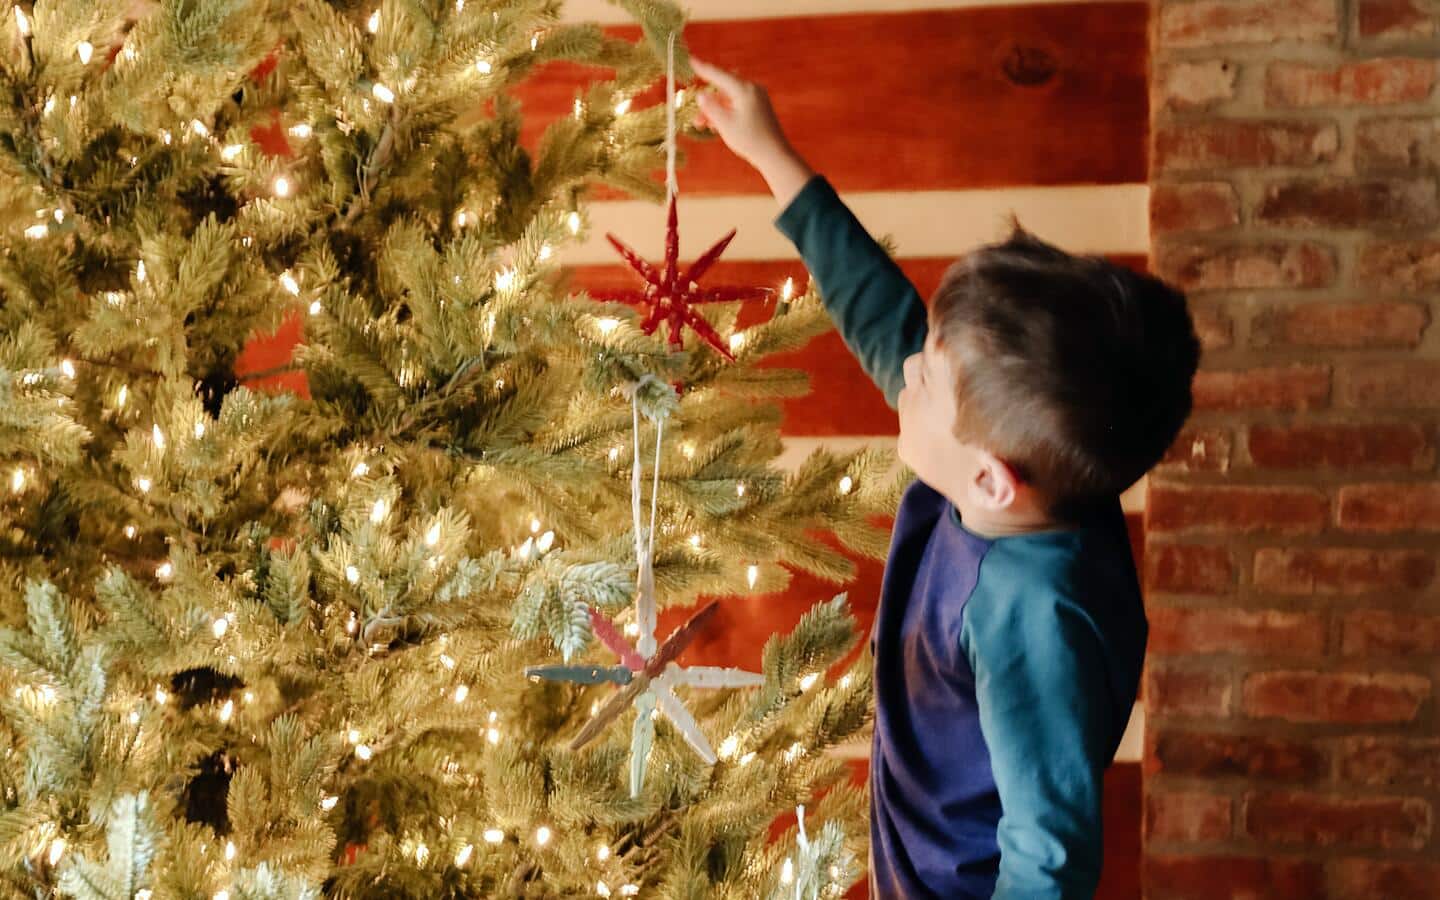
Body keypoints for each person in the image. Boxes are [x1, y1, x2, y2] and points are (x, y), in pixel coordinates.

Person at [689, 58, 1200, 898]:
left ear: (995, 482)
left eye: (925, 378)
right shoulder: (1027, 466)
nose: (906, 374)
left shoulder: (1034, 616)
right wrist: (774, 156)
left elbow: (1050, 857)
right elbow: (885, 317)